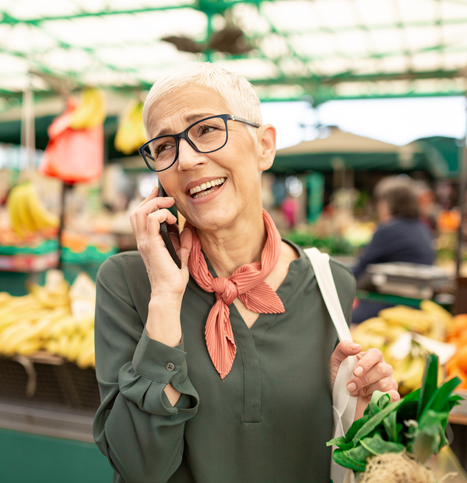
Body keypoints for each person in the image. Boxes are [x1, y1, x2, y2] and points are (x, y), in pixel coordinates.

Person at [93, 63, 399, 483]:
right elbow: (140, 469)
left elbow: (340, 455)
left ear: (264, 147)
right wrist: (165, 298)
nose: (185, 159)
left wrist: (357, 406)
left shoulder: (331, 282)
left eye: (205, 130)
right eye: (164, 147)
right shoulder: (130, 282)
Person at [352, 178, 435, 323]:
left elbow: (358, 271)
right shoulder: (422, 227)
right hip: (417, 305)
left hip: (392, 305)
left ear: (387, 204)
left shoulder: (389, 230)